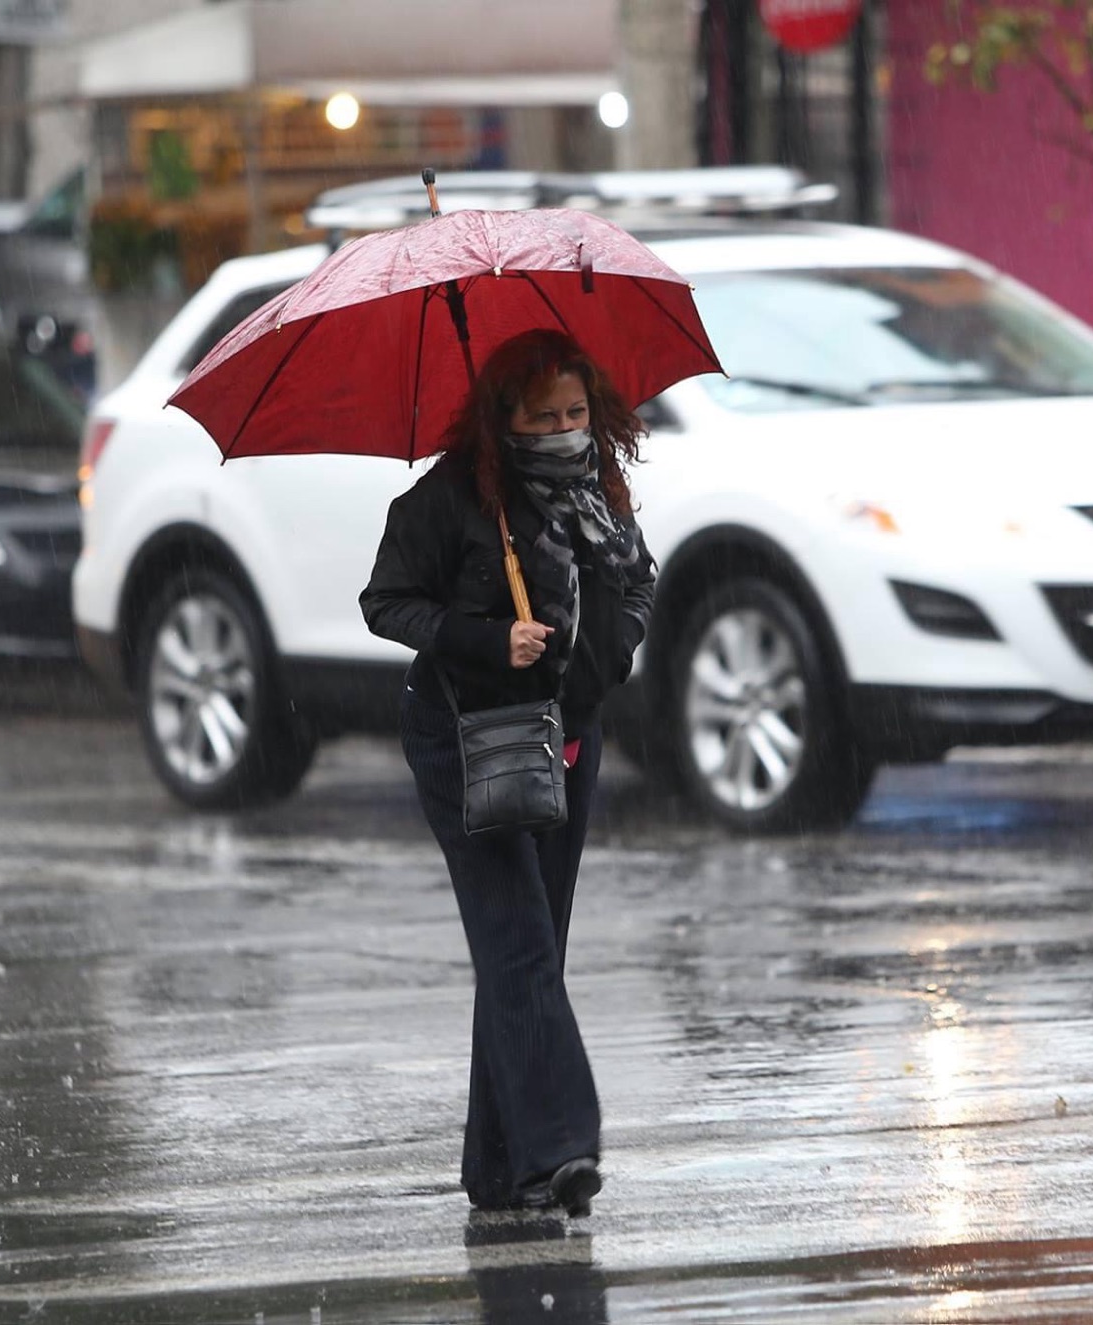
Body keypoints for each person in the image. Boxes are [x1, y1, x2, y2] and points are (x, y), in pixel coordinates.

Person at [360, 328, 657, 1216]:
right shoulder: (452, 498)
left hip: (567, 736)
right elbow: (386, 601)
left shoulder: (600, 496)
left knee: (531, 950)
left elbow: (640, 582)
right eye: (543, 417)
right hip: (466, 738)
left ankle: (499, 1168)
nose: (564, 429)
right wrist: (493, 639)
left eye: (576, 412)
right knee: (519, 941)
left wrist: (612, 639)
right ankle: (562, 1147)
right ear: (504, 420)